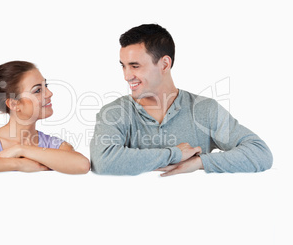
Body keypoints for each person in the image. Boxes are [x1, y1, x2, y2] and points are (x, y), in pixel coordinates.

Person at [90, 24, 273, 176]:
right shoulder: (114, 113)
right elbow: (102, 161)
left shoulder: (204, 110)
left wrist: (200, 162)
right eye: (124, 66)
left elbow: (260, 153)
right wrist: (175, 154)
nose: (127, 76)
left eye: (135, 66)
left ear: (164, 64)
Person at [0, 61, 90, 175]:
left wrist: (21, 150)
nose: (49, 93)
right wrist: (18, 164)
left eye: (46, 86)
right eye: (38, 90)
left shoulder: (53, 144)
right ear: (14, 104)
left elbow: (82, 165)